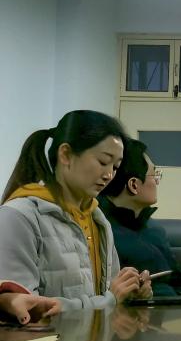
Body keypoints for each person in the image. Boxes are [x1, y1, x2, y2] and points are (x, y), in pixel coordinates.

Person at [0, 110, 153, 309]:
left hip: (94, 330)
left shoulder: (98, 219)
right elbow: (26, 311)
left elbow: (110, 294)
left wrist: (129, 294)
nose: (109, 175)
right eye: (103, 162)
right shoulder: (19, 217)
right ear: (65, 154)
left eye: (115, 167)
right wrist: (110, 299)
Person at [98, 139, 181, 297]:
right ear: (134, 185)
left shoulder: (154, 230)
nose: (157, 181)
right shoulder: (101, 230)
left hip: (174, 309)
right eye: (154, 175)